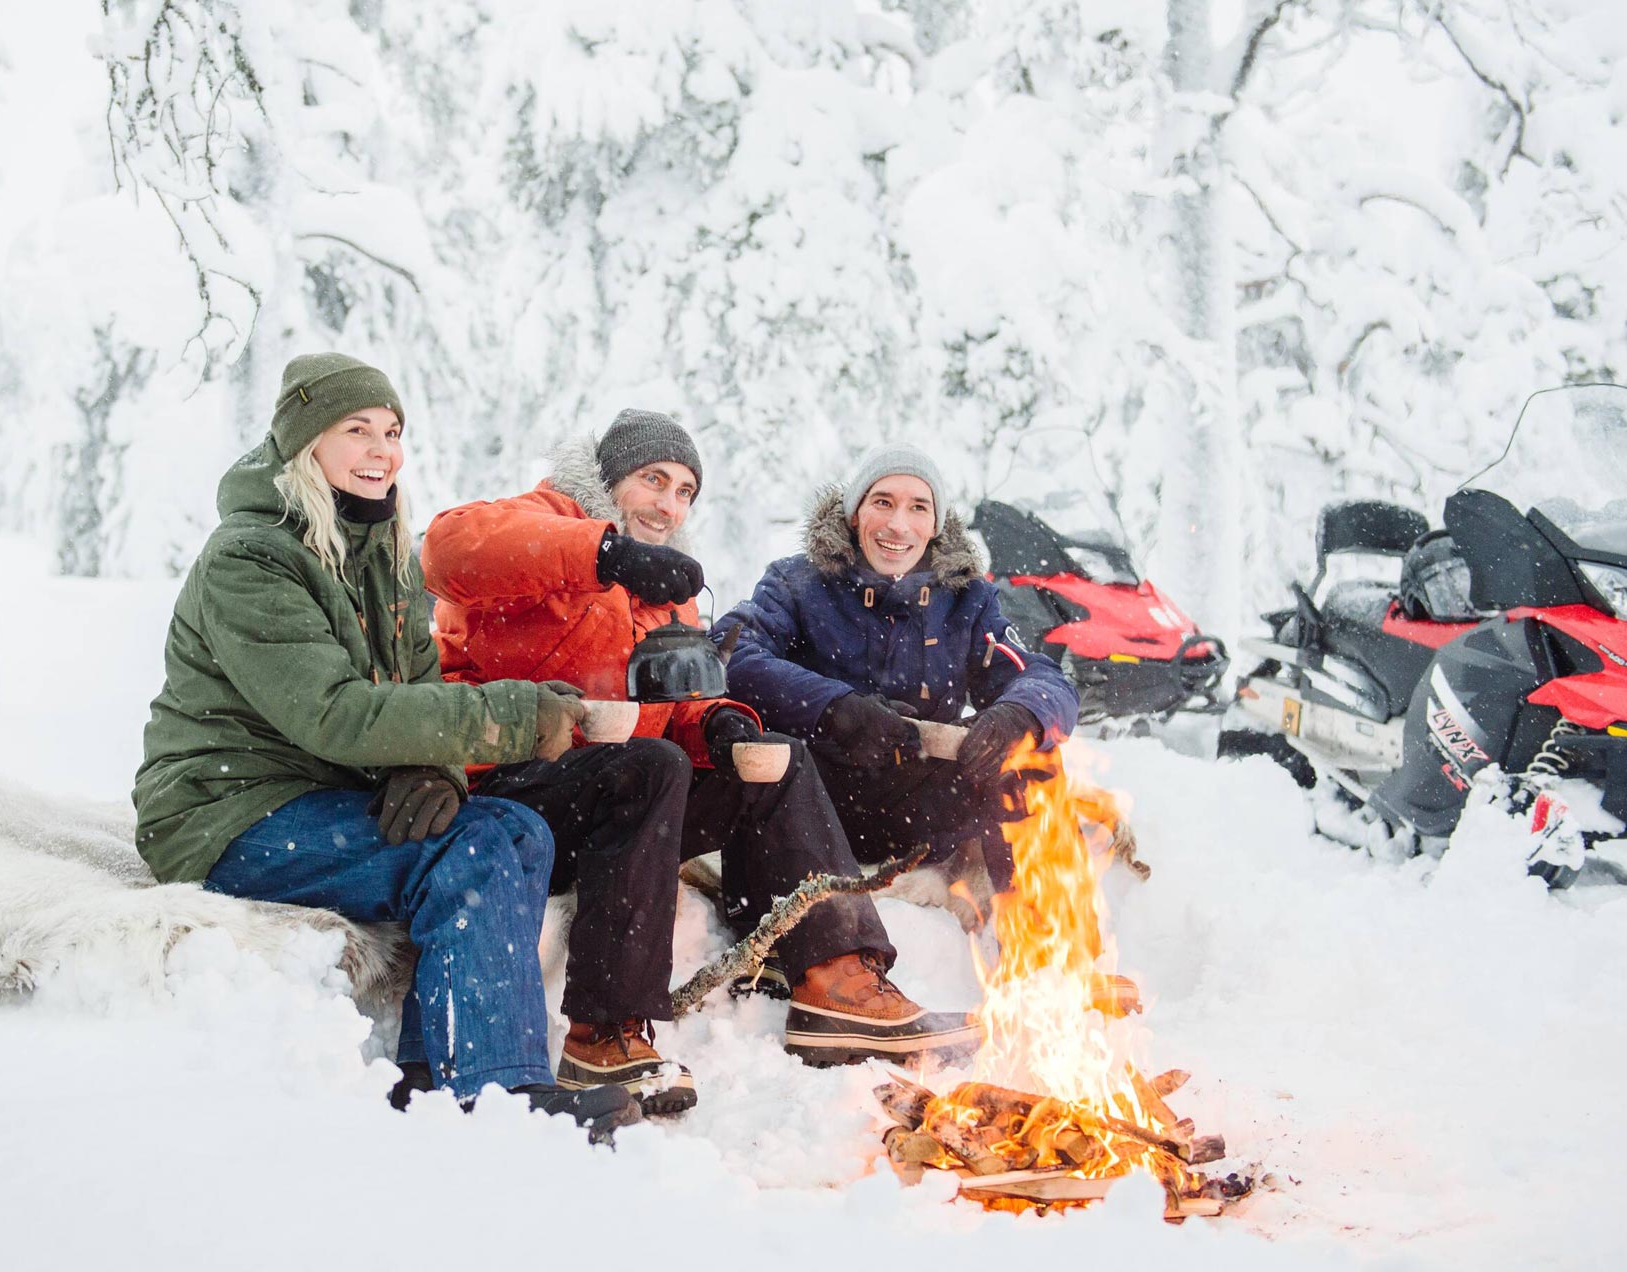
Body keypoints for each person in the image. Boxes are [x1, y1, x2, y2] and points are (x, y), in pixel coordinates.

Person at [133, 352, 636, 1136]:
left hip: (317, 795)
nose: (382, 451)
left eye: (392, 431)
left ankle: (435, 1072)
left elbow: (417, 681)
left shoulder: (382, 544)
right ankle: (497, 1094)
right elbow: (333, 714)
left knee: (518, 830)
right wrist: (512, 714)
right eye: (357, 430)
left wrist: (437, 769)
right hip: (225, 813)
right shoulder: (250, 557)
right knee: (464, 852)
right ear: (306, 444)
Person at [421, 411, 979, 1077]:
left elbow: (673, 700)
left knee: (776, 760)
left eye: (685, 490)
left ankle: (838, 980)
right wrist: (604, 555)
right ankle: (605, 1033)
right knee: (650, 767)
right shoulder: (546, 518)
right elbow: (447, 549)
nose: (669, 503)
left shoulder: (664, 590)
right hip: (511, 790)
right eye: (654, 480)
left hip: (621, 799)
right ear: (609, 478)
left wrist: (718, 723)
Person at [712, 444, 1081, 908]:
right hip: (813, 802)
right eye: (882, 502)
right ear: (854, 514)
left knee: (1032, 753)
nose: (898, 525)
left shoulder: (968, 598)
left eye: (918, 507)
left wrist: (1017, 713)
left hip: (922, 808)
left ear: (935, 525)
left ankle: (1046, 949)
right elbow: (731, 652)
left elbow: (1043, 678)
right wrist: (835, 708)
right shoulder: (796, 582)